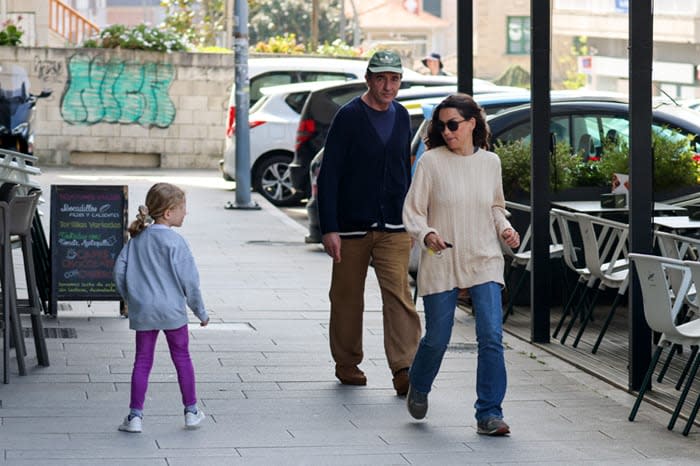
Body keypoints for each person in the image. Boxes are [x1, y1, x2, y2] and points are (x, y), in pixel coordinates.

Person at [402, 93, 520, 436]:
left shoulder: (490, 163)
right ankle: (419, 383)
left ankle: (489, 413)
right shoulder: (431, 162)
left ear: (472, 124)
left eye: (454, 124)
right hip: (441, 258)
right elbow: (413, 212)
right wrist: (427, 234)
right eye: (442, 126)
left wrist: (506, 229)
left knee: (491, 337)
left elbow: (495, 206)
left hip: (484, 257)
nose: (448, 131)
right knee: (437, 337)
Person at [317, 50, 421, 396]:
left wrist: (412, 221)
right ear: (368, 79)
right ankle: (347, 362)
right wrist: (328, 227)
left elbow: (404, 172)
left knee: (399, 296)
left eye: (394, 79)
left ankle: (405, 368)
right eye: (381, 78)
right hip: (350, 226)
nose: (388, 86)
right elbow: (329, 173)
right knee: (347, 297)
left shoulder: (402, 115)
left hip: (394, 225)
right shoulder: (349, 117)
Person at [113, 182, 210, 433]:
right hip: (172, 312)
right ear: (168, 212)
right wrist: (200, 311)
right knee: (182, 358)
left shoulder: (136, 240)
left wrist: (132, 298)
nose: (185, 213)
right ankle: (191, 412)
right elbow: (190, 281)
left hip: (144, 310)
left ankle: (135, 417)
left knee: (142, 361)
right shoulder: (177, 243)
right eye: (182, 208)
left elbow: (119, 272)